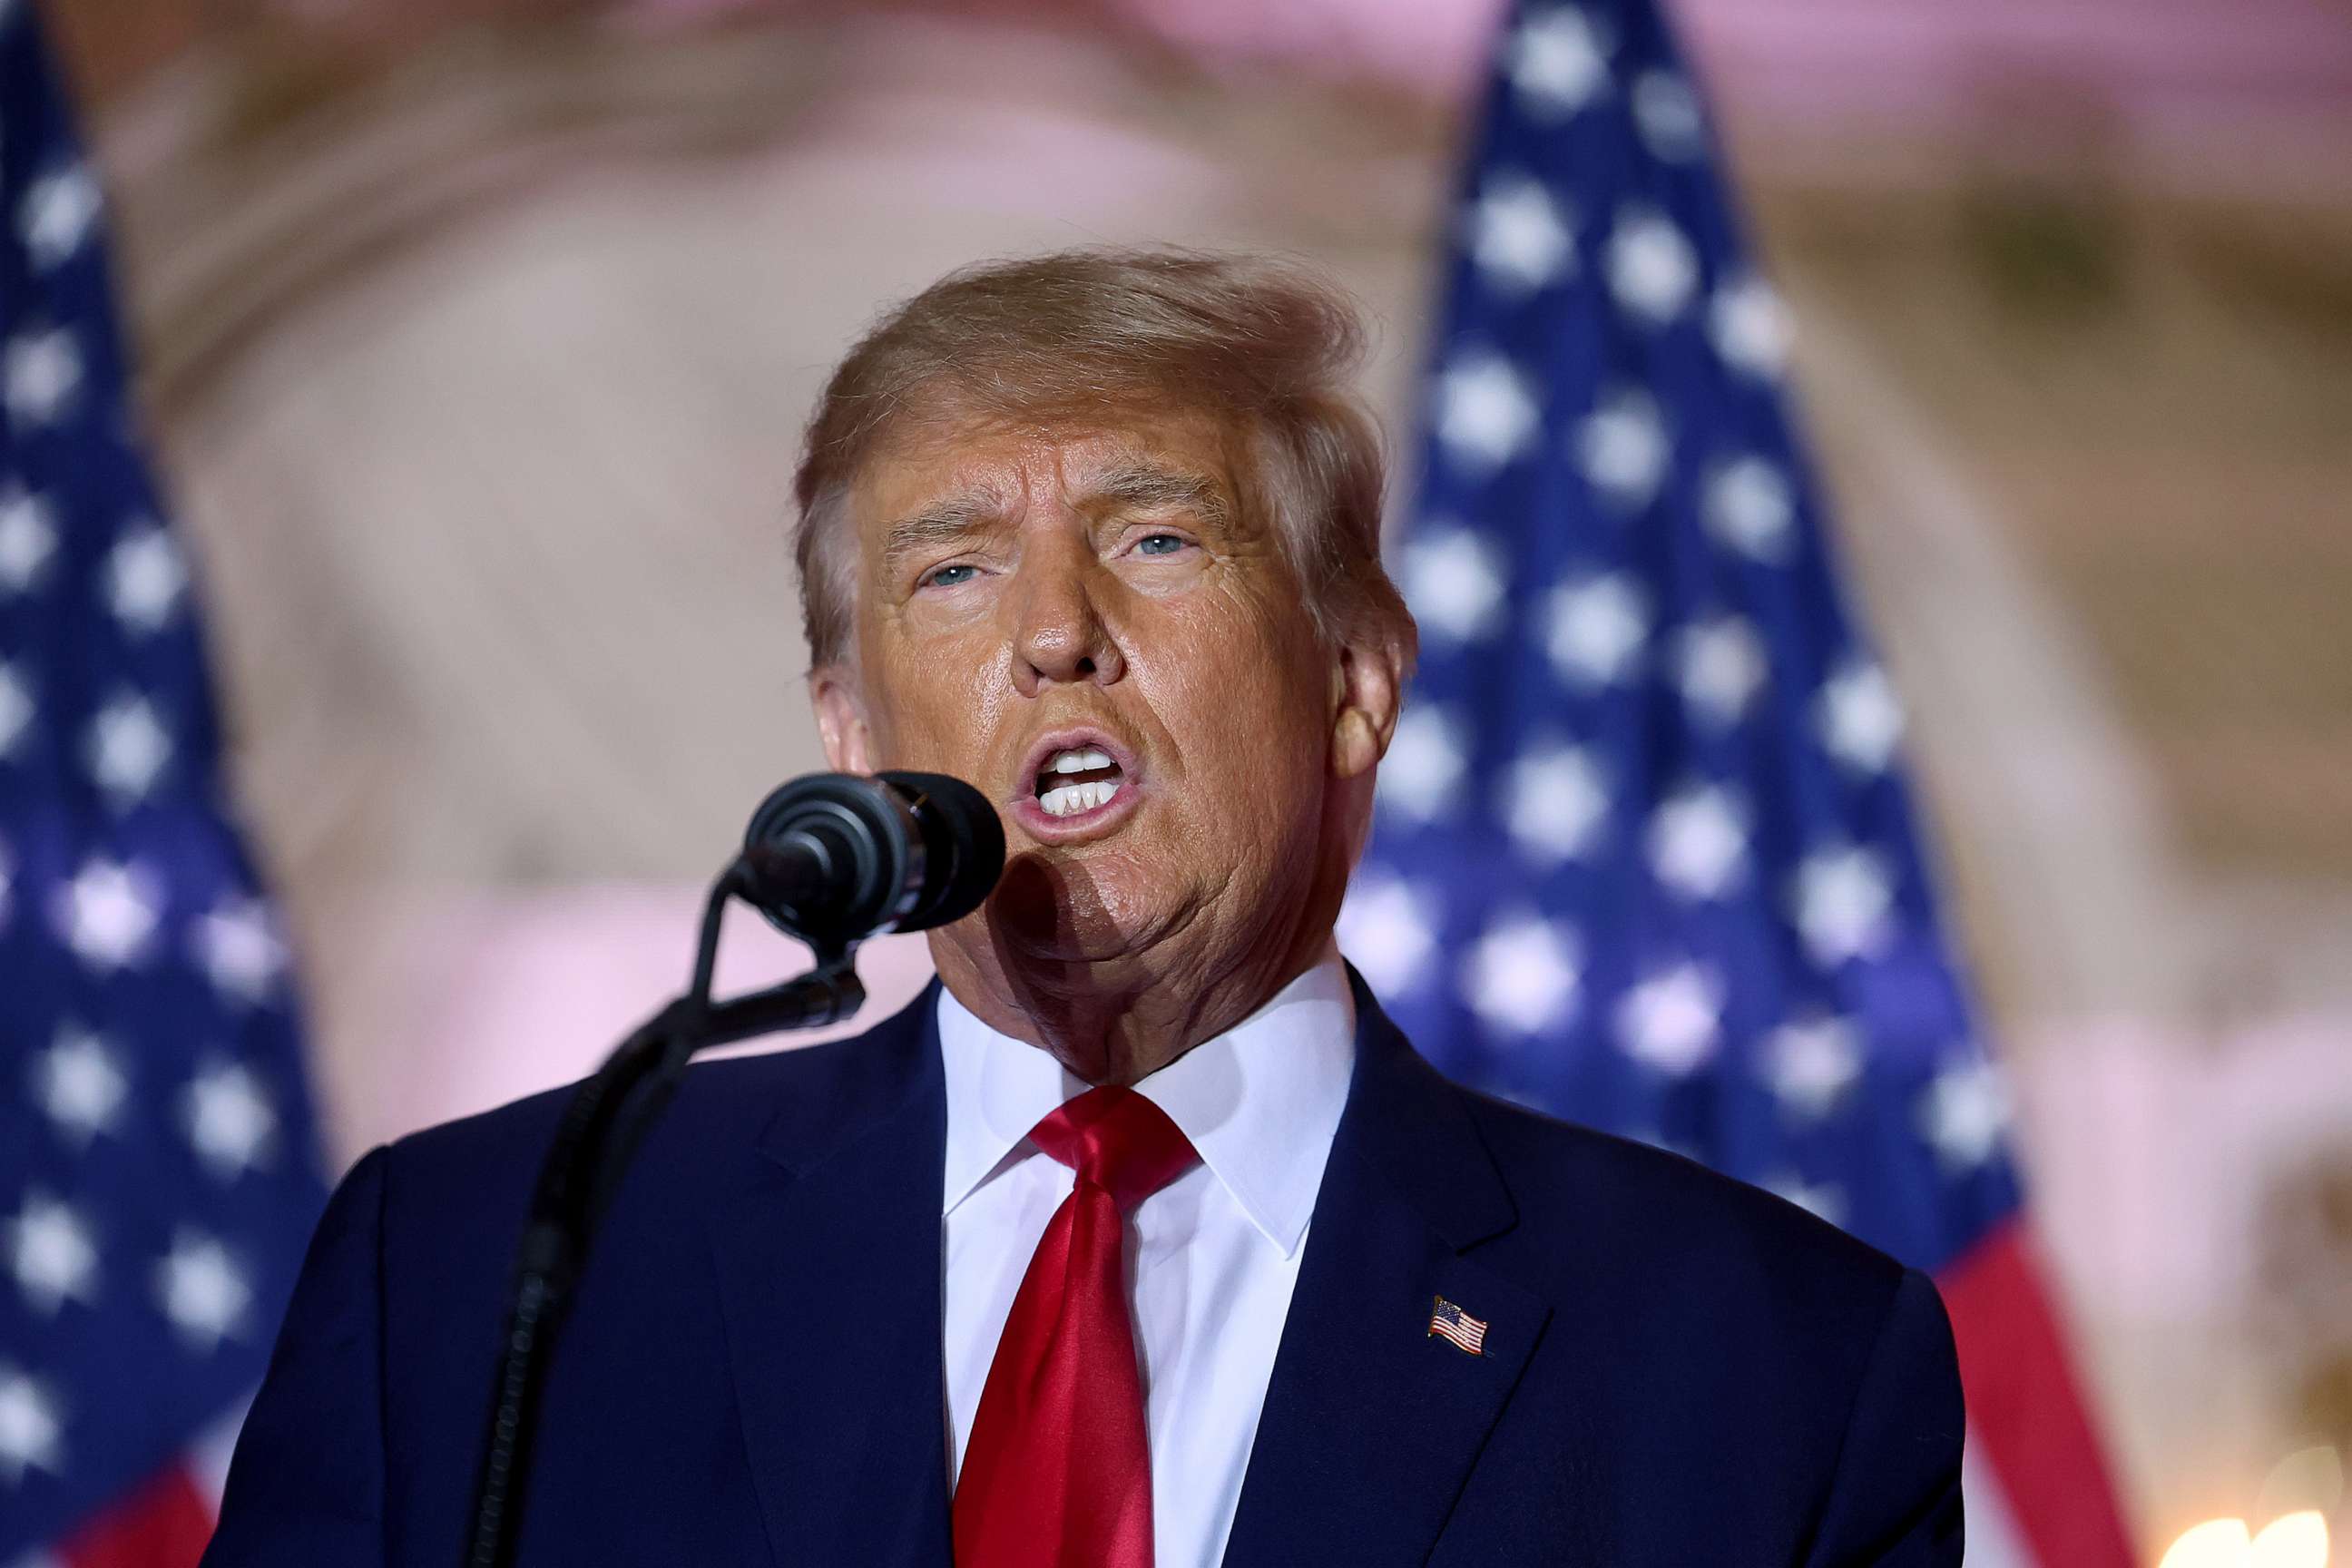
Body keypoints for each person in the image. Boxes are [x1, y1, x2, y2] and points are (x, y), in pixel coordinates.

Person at [202, 250, 1964, 1567]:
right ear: (852, 733)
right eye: (955, 569)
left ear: (1353, 680)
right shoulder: (481, 1275)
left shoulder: (1763, 1371)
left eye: (1156, 539)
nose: (1055, 627)